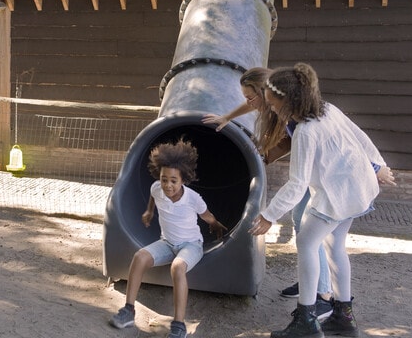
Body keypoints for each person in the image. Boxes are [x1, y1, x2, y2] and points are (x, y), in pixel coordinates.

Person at [249, 63, 395, 338]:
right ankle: (344, 316)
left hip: (336, 195)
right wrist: (379, 165)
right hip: (356, 190)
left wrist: (269, 215)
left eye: (274, 104)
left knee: (306, 241)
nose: (272, 110)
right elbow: (360, 136)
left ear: (289, 101)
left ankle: (306, 319)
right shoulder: (327, 109)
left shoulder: (305, 131)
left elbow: (297, 183)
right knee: (334, 245)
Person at [203, 68, 333, 320]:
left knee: (308, 232)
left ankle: (323, 295)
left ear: (265, 93)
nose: (249, 103)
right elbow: (279, 137)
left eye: (251, 98)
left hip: (318, 175)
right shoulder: (275, 106)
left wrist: (269, 214)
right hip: (311, 173)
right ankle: (311, 281)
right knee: (301, 225)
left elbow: (292, 150)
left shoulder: (290, 115)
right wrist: (226, 117)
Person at [109, 138, 227, 338]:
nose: (168, 185)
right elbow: (154, 197)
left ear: (183, 180)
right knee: (139, 257)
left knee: (177, 267)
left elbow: (207, 216)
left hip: (191, 245)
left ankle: (179, 325)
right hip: (167, 242)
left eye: (173, 181)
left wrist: (216, 225)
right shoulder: (156, 188)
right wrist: (148, 212)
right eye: (164, 179)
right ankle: (128, 310)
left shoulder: (192, 198)